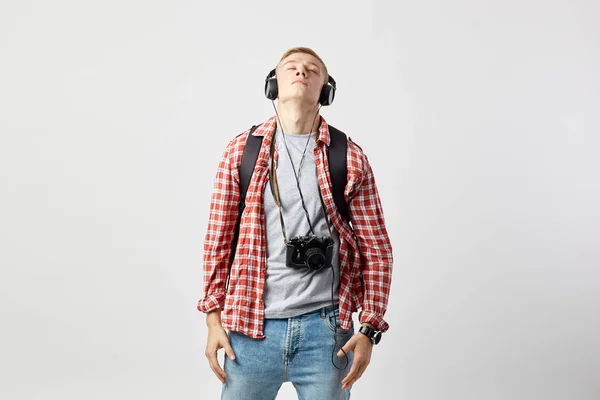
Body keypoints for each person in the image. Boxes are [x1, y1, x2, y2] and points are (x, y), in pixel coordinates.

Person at [197, 46, 393, 400]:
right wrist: (213, 319)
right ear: (273, 85)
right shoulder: (241, 151)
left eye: (312, 69)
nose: (301, 72)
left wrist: (368, 329)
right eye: (291, 67)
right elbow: (218, 240)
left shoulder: (348, 157)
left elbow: (376, 249)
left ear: (326, 91)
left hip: (327, 332)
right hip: (248, 330)